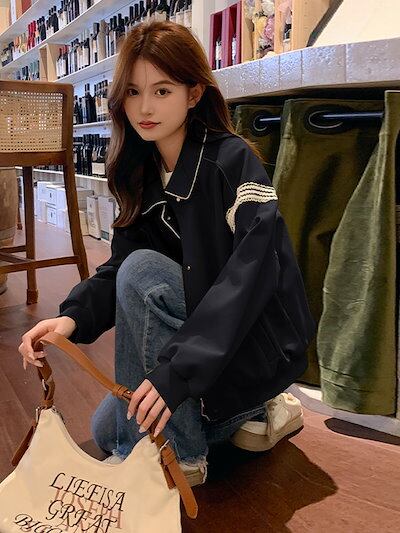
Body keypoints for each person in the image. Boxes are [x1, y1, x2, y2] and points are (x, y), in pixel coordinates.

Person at [18, 21, 315, 488]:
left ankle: (182, 458)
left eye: (162, 90)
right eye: (133, 92)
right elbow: (119, 267)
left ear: (193, 94)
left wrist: (176, 373)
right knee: (106, 427)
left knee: (128, 425)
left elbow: (250, 279)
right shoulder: (141, 170)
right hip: (204, 339)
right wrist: (70, 319)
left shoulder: (231, 161)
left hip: (252, 338)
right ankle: (249, 412)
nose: (145, 108)